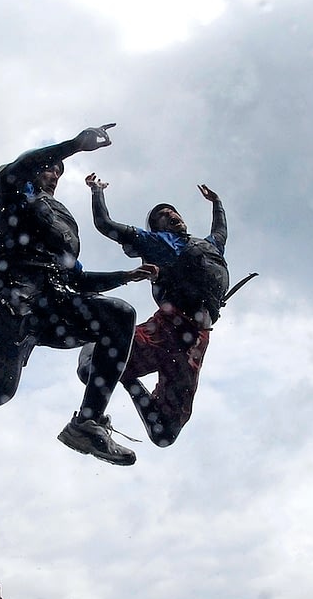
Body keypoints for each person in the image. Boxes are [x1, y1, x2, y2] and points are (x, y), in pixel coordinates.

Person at [0, 125, 156, 482]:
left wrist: (124, 275)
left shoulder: (63, 219)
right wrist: (72, 146)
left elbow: (76, 279)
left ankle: (87, 422)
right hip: (14, 300)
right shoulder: (8, 188)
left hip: (56, 304)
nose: (54, 173)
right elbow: (23, 167)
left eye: (58, 171)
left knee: (118, 314)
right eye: (50, 166)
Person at [86, 176, 228, 446]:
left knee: (165, 433)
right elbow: (105, 225)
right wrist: (97, 192)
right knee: (92, 365)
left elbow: (221, 231)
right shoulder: (157, 243)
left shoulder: (210, 246)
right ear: (155, 228)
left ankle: (127, 379)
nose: (170, 214)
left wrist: (217, 202)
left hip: (195, 341)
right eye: (162, 215)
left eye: (172, 211)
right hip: (165, 329)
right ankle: (99, 395)